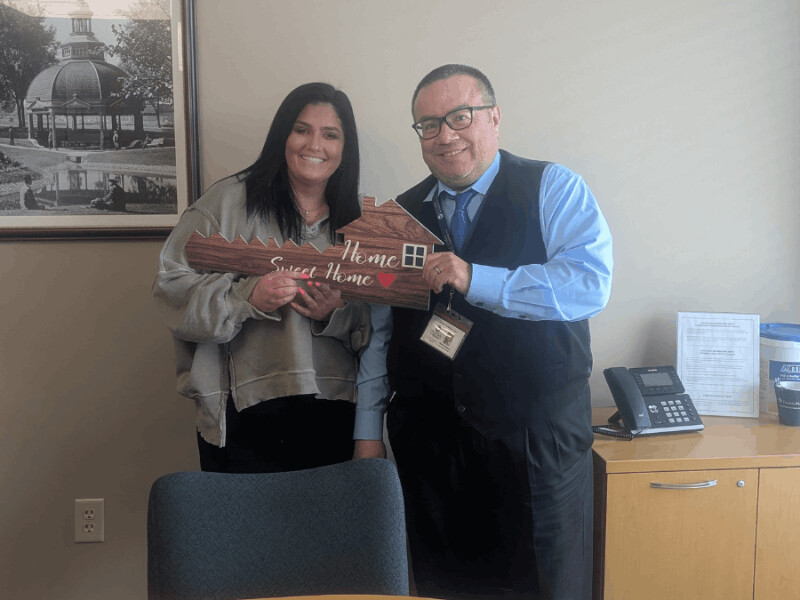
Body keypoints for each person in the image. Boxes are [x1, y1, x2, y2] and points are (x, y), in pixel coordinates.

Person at [354, 65, 613, 600]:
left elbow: (589, 284)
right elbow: (381, 335)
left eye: (459, 116)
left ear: (494, 118)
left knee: (547, 587)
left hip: (535, 442)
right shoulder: (399, 215)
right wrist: (368, 431)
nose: (445, 135)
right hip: (431, 449)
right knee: (442, 586)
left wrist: (476, 279)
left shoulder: (553, 187)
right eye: (429, 124)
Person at [152, 82, 374, 474]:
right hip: (242, 414)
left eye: (330, 134)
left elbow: (380, 329)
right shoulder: (224, 204)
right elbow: (169, 290)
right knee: (245, 536)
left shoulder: (360, 223)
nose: (314, 145)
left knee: (328, 536)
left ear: (346, 147)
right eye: (301, 129)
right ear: (282, 135)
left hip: (337, 410)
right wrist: (245, 298)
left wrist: (335, 314)